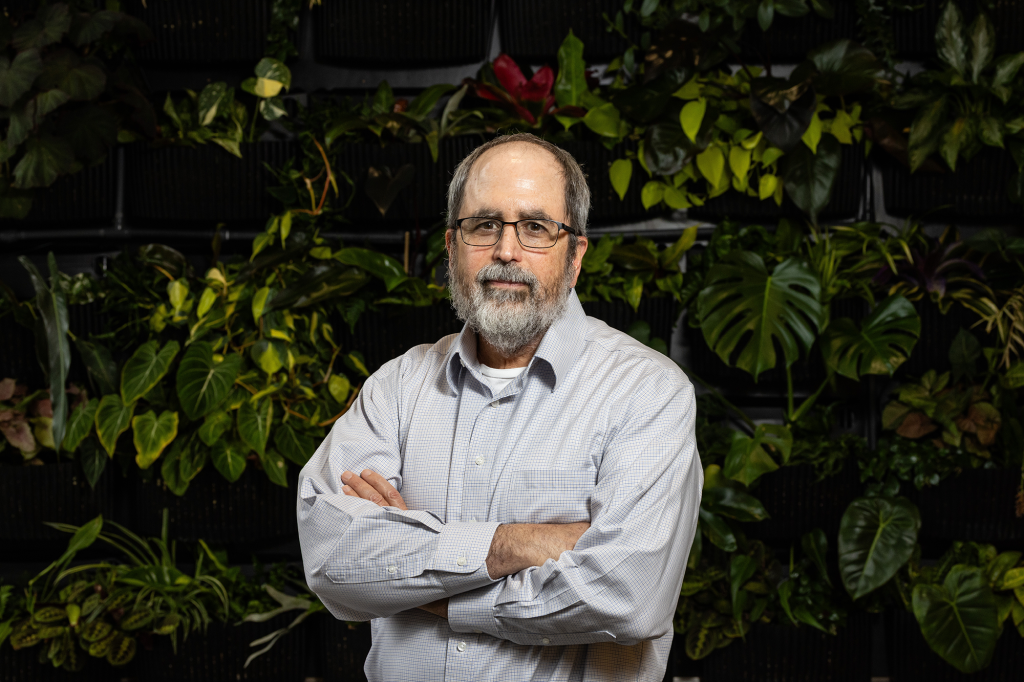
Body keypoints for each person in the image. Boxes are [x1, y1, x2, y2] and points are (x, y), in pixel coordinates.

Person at [297, 132, 702, 682]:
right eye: (483, 225)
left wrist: (420, 580)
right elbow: (332, 559)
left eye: (536, 227)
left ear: (575, 254)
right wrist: (521, 543)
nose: (506, 250)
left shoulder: (646, 393)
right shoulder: (396, 389)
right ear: (451, 245)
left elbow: (627, 597)